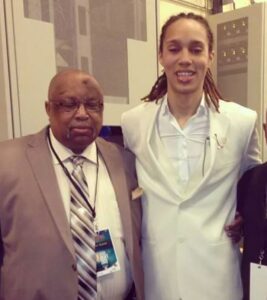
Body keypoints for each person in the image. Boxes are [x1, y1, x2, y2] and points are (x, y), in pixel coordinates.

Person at [121, 12, 260, 300]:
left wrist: (245, 218)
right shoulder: (133, 123)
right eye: (174, 48)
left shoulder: (242, 122)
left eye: (196, 49)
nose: (185, 59)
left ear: (210, 56)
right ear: (161, 55)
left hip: (218, 279)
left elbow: (254, 187)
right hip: (159, 278)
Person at [0, 69, 144, 300]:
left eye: (93, 105)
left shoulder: (124, 161)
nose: (82, 114)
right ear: (48, 109)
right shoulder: (7, 162)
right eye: (69, 104)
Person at [237, 111, 267, 300]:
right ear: (265, 131)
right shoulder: (251, 179)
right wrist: (236, 226)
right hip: (257, 287)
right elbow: (235, 218)